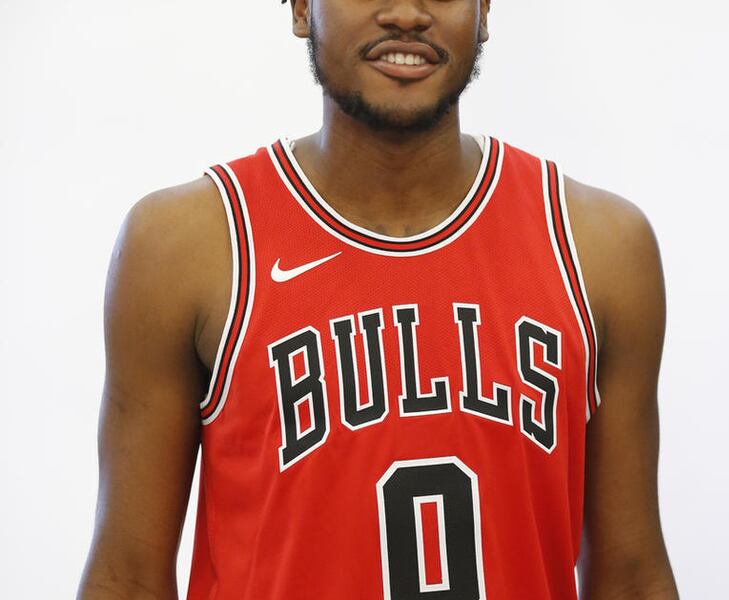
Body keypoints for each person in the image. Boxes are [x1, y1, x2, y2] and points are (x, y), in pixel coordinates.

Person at [78, 1, 679, 598]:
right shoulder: (186, 245)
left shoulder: (597, 246)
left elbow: (629, 576)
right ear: (300, 8)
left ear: (485, 10)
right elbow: (127, 578)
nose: (407, 13)